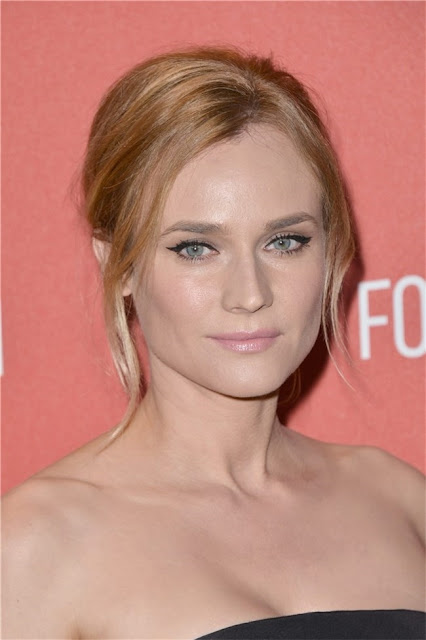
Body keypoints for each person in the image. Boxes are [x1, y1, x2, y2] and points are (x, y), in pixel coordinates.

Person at [2, 47, 425, 640]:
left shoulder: (402, 503)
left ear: (331, 250)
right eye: (196, 248)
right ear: (118, 265)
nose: (250, 293)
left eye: (286, 241)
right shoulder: (35, 547)